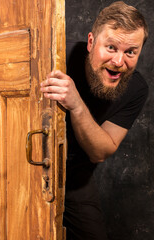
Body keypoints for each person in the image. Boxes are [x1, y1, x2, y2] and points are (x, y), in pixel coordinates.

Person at [40, 1, 149, 239]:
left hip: (76, 177)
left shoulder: (137, 89)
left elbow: (101, 151)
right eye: (111, 47)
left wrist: (76, 104)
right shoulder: (55, 56)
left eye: (130, 51)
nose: (119, 62)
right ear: (91, 42)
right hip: (31, 163)